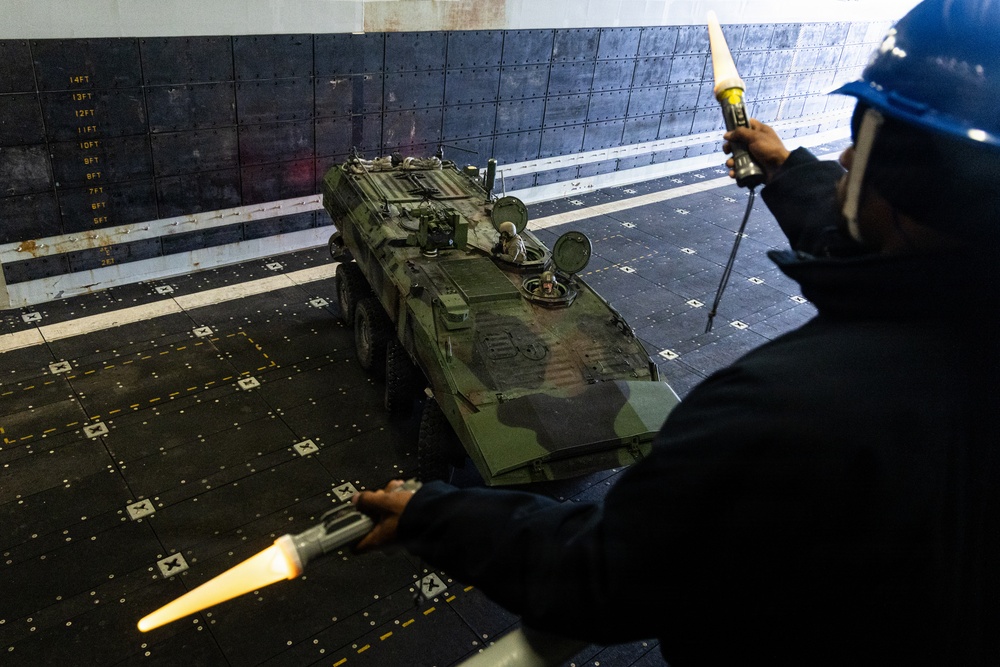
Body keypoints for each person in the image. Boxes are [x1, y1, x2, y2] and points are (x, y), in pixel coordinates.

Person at [353, 0, 998, 663]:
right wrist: (786, 169)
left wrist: (434, 513)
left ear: (896, 171)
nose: (842, 154)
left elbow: (602, 572)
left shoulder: (787, 409)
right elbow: (895, 252)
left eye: (861, 141)